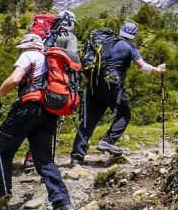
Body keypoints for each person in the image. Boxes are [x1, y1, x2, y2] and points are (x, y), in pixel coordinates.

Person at [0, 33, 75, 210]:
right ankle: (61, 203)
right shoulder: (51, 62)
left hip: (28, 108)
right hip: (49, 113)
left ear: (26, 46)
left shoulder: (29, 55)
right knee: (44, 159)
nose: (20, 51)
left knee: (3, 150)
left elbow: (15, 79)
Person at [70, 21, 165, 164]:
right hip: (112, 85)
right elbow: (141, 66)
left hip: (93, 84)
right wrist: (158, 70)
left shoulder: (107, 42)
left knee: (88, 121)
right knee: (124, 114)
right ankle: (108, 140)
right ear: (134, 35)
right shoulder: (129, 46)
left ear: (121, 31)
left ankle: (76, 157)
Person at [23, 9, 78, 172]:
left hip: (34, 84)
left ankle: (30, 155)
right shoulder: (70, 38)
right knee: (49, 121)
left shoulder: (45, 36)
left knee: (33, 120)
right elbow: (72, 60)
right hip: (56, 85)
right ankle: (41, 158)